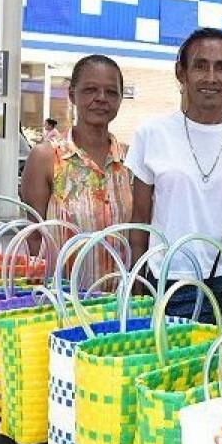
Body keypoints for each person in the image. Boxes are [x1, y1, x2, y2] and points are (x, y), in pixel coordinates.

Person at [128, 29, 222, 324]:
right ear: (182, 73)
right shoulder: (152, 135)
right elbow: (140, 220)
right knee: (170, 368)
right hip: (168, 281)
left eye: (221, 67)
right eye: (200, 66)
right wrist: (136, 282)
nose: (210, 77)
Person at [21, 55, 134, 282]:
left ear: (121, 98)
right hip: (63, 303)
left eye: (111, 92)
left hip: (120, 307)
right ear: (72, 94)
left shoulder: (130, 160)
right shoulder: (46, 158)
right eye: (91, 89)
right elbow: (33, 235)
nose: (101, 98)